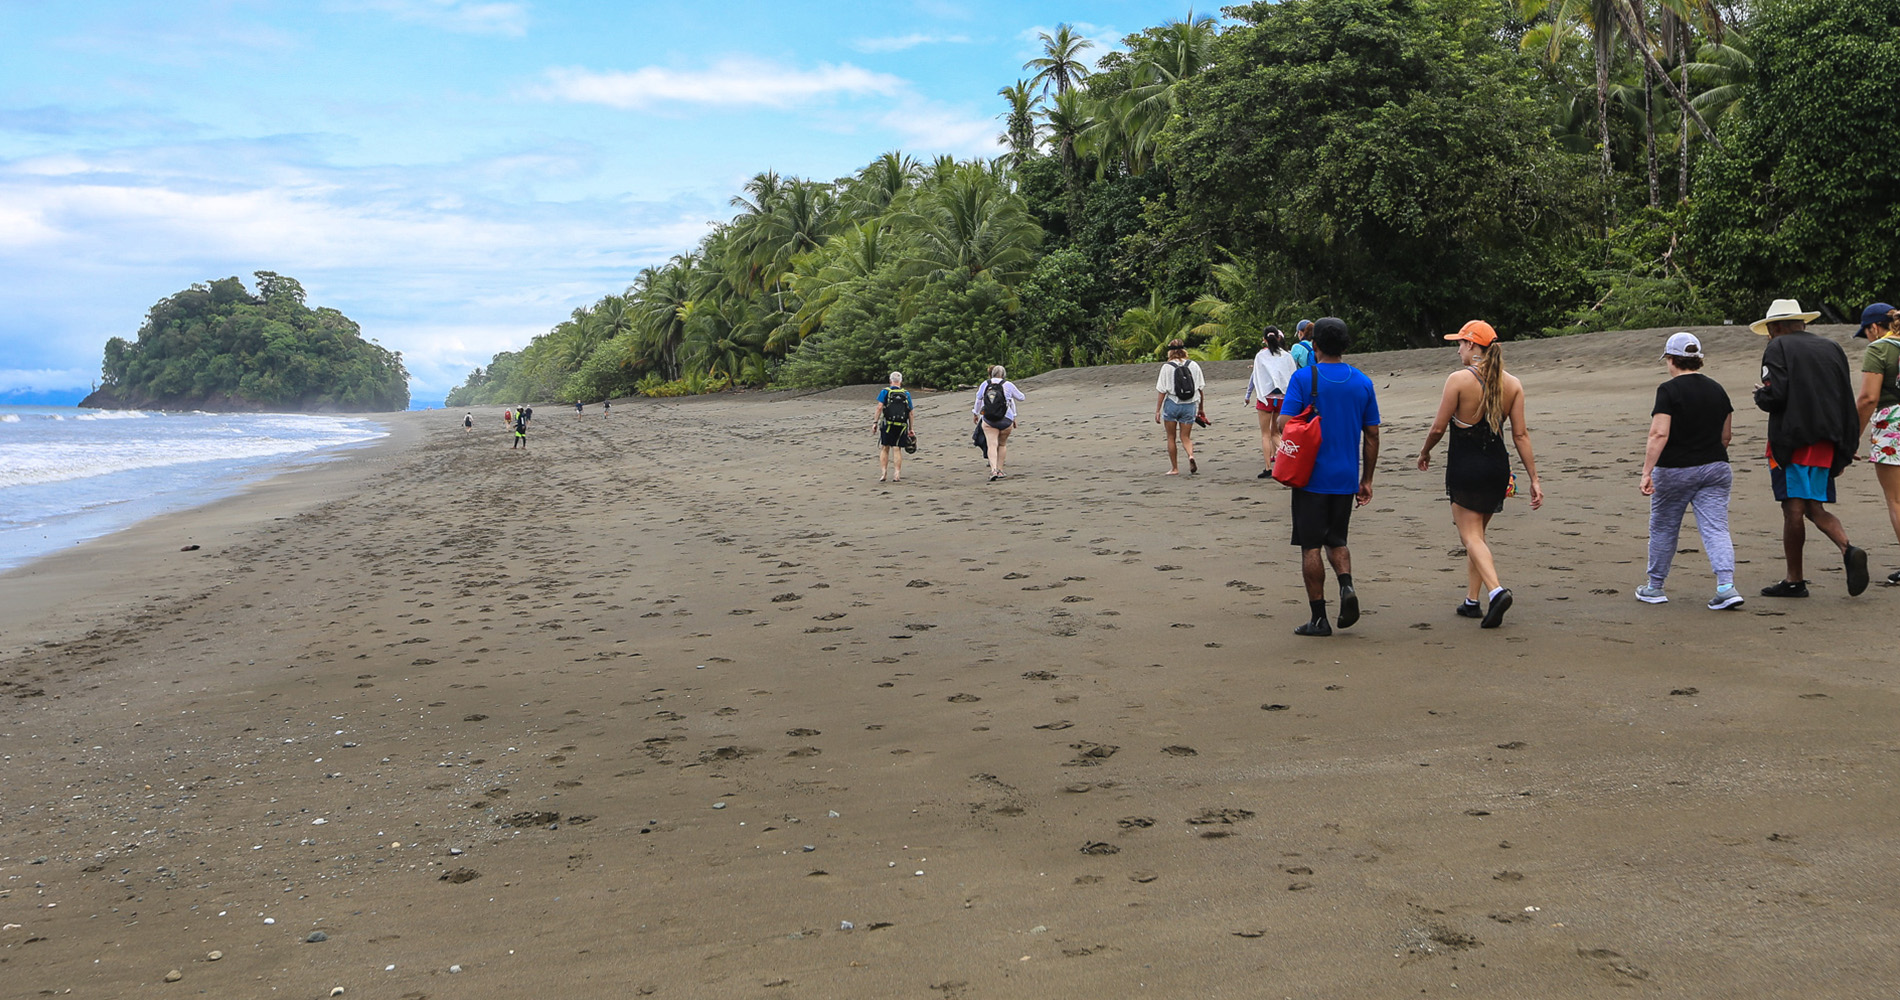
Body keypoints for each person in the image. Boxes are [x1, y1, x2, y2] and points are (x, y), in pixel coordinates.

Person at [1415, 320, 1544, 628]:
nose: (1458, 349)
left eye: (1460, 343)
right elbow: (1521, 435)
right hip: (1498, 468)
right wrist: (1534, 479)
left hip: (1466, 467)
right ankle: (1472, 601)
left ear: (1473, 346)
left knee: (1470, 536)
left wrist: (1425, 451)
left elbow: (1438, 427)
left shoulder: (1458, 380)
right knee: (1478, 537)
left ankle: (1496, 591)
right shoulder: (1512, 384)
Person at [1753, 298, 1867, 597]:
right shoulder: (1831, 347)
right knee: (1814, 507)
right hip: (1828, 441)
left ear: (1775, 327)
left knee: (1792, 509)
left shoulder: (1777, 348)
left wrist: (1760, 397)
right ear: (1802, 323)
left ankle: (1794, 580)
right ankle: (1847, 548)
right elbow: (1845, 396)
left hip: (1792, 441)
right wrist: (1847, 442)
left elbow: (1775, 395)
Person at [1275, 317, 1380, 636]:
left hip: (1310, 477)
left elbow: (1284, 423)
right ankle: (1346, 586)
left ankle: (1319, 617)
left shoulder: (1304, 379)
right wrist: (1367, 479)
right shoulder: (1362, 382)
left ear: (1314, 345)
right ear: (1346, 347)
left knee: (1311, 546)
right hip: (1345, 476)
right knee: (1337, 539)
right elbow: (1372, 434)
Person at [1636, 333, 1742, 609]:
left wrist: (1647, 471)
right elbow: (1726, 435)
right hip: (1716, 466)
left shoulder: (1668, 391)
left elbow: (1659, 433)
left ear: (1671, 360)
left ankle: (1655, 586)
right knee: (1716, 527)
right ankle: (1726, 586)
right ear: (1698, 360)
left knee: (1663, 527)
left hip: (1675, 469)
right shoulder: (1718, 389)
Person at [1855, 302, 1900, 580]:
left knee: (1896, 499)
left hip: (1892, 423)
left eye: (1867, 332)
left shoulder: (1880, 349)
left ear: (1874, 327)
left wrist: (1851, 437)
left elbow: (1868, 398)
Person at [1245, 327, 1297, 479]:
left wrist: (1250, 394)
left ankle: (1268, 467)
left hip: (1266, 397)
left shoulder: (1261, 356)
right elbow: (1292, 376)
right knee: (1277, 433)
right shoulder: (1286, 356)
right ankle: (1289, 461)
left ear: (1265, 339)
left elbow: (1256, 376)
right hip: (1282, 397)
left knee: (1265, 434)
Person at [1154, 339, 1206, 475]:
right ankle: (1190, 455)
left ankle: (1175, 468)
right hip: (1190, 405)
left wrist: (1158, 410)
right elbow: (1200, 389)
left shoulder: (1166, 367)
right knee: (1185, 437)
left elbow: (1162, 391)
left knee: (1171, 437)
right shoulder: (1193, 365)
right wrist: (1201, 408)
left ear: (1170, 351)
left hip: (1172, 404)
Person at [973, 365, 1026, 482]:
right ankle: (1001, 470)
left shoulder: (985, 384)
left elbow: (978, 399)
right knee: (1002, 444)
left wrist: (975, 413)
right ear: (1003, 374)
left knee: (992, 445)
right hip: (1006, 419)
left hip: (989, 419)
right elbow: (1021, 398)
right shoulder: (1008, 385)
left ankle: (993, 470)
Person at [873, 371, 914, 483]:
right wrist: (911, 428)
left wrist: (875, 422)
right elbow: (910, 412)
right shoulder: (906, 393)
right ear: (900, 381)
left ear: (890, 380)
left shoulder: (885, 391)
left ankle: (884, 473)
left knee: (885, 447)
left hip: (887, 424)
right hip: (901, 425)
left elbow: (879, 407)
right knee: (897, 449)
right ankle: (896, 474)